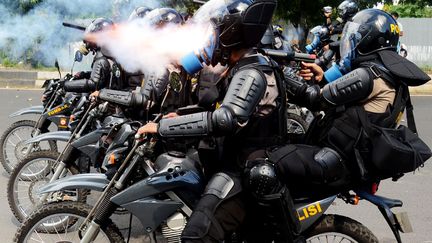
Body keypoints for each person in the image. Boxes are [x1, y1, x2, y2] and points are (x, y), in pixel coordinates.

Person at [136, 0, 296, 241]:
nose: (211, 39)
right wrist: (179, 117)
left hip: (247, 168)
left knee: (196, 236)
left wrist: (163, 128)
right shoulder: (240, 66)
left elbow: (225, 118)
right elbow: (213, 106)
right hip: (234, 159)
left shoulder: (250, 71)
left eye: (215, 32)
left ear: (231, 33)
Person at [259, 9, 430, 205]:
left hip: (337, 162)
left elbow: (314, 99)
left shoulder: (368, 75)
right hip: (345, 157)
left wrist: (278, 72)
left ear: (370, 41)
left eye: (357, 38)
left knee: (263, 166)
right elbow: (336, 92)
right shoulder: (388, 74)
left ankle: (285, 232)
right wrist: (322, 78)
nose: (352, 43)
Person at [64, 18, 119, 93]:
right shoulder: (111, 55)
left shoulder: (102, 60)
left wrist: (66, 85)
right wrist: (85, 75)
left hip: (104, 101)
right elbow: (103, 76)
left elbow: (94, 84)